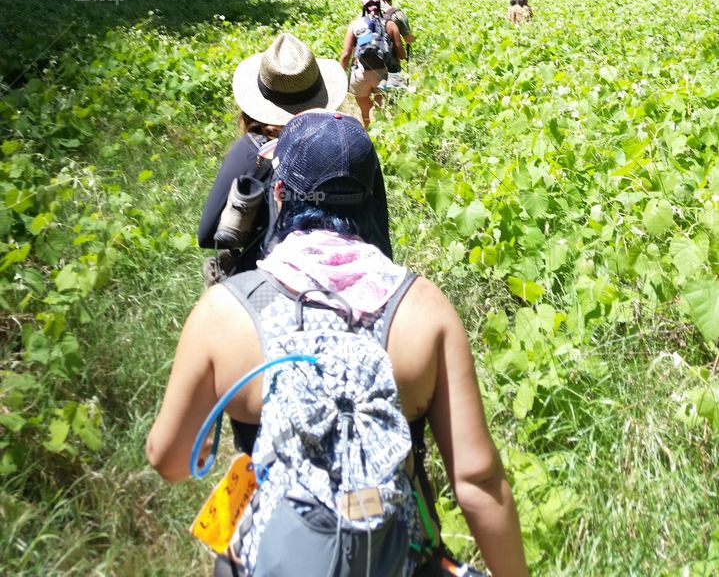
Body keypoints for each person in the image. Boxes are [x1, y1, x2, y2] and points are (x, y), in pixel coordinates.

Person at [147, 111, 530, 577]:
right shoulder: (423, 310)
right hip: (390, 557)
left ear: (280, 193)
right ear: (372, 196)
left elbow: (170, 461)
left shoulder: (225, 311)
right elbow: (478, 481)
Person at [197, 32, 393, 270]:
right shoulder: (350, 145)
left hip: (267, 279)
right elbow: (379, 226)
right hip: (356, 274)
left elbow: (208, 235)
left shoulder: (252, 149)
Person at [340, 0, 405, 128]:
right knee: (380, 111)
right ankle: (381, 138)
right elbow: (401, 55)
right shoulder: (390, 24)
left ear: (363, 6)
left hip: (360, 74)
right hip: (382, 73)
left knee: (365, 112)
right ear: (380, 4)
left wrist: (340, 74)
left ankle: (368, 134)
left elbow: (345, 54)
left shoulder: (354, 25)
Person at [375, 0, 415, 65]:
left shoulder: (364, 14)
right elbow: (408, 39)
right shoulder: (397, 14)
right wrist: (413, 38)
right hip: (390, 63)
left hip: (367, 64)